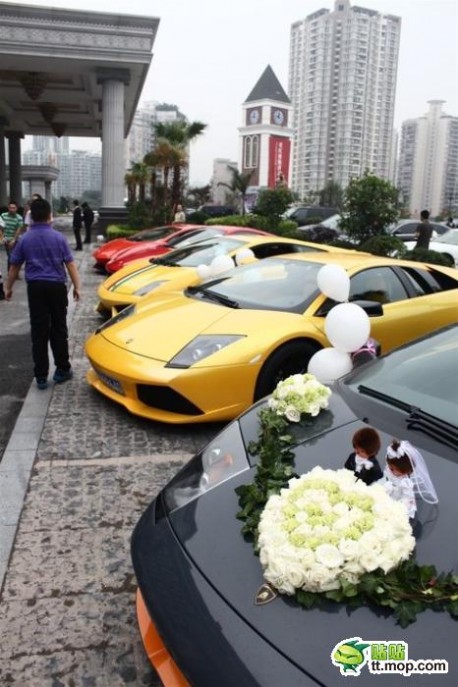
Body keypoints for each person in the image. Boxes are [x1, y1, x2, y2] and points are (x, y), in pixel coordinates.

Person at [4, 198, 81, 390]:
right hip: (56, 287)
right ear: (49, 216)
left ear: (31, 217)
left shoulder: (25, 239)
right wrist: (77, 287)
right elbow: (70, 264)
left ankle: (40, 376)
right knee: (59, 329)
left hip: (36, 288)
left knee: (39, 332)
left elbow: (14, 267)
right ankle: (62, 369)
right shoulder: (58, 238)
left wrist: (8, 287)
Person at [382, 439, 438, 519]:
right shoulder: (389, 470)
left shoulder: (405, 483)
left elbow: (407, 499)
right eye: (390, 467)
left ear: (406, 470)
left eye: (394, 469)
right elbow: (385, 478)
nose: (391, 470)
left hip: (395, 502)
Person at [0, 201, 23, 272]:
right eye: (10, 207)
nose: (12, 209)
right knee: (10, 255)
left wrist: (14, 240)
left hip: (14, 238)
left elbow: (18, 230)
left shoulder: (19, 218)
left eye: (13, 208)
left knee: (13, 255)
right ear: (8, 208)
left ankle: (13, 272)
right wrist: (2, 237)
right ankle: (11, 272)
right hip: (5, 238)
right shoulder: (3, 216)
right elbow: (0, 227)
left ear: (16, 209)